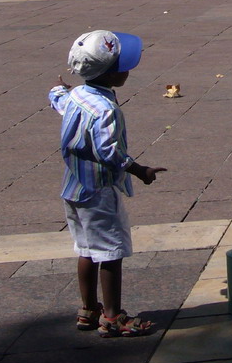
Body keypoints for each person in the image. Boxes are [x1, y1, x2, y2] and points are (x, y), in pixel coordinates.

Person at [49, 29, 166, 337]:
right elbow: (108, 151)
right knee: (111, 253)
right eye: (122, 67)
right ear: (111, 75)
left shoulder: (76, 95)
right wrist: (139, 169)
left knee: (86, 249)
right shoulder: (106, 109)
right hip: (99, 192)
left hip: (73, 189)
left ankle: (88, 309)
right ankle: (113, 317)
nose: (127, 71)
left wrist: (58, 88)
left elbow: (58, 99)